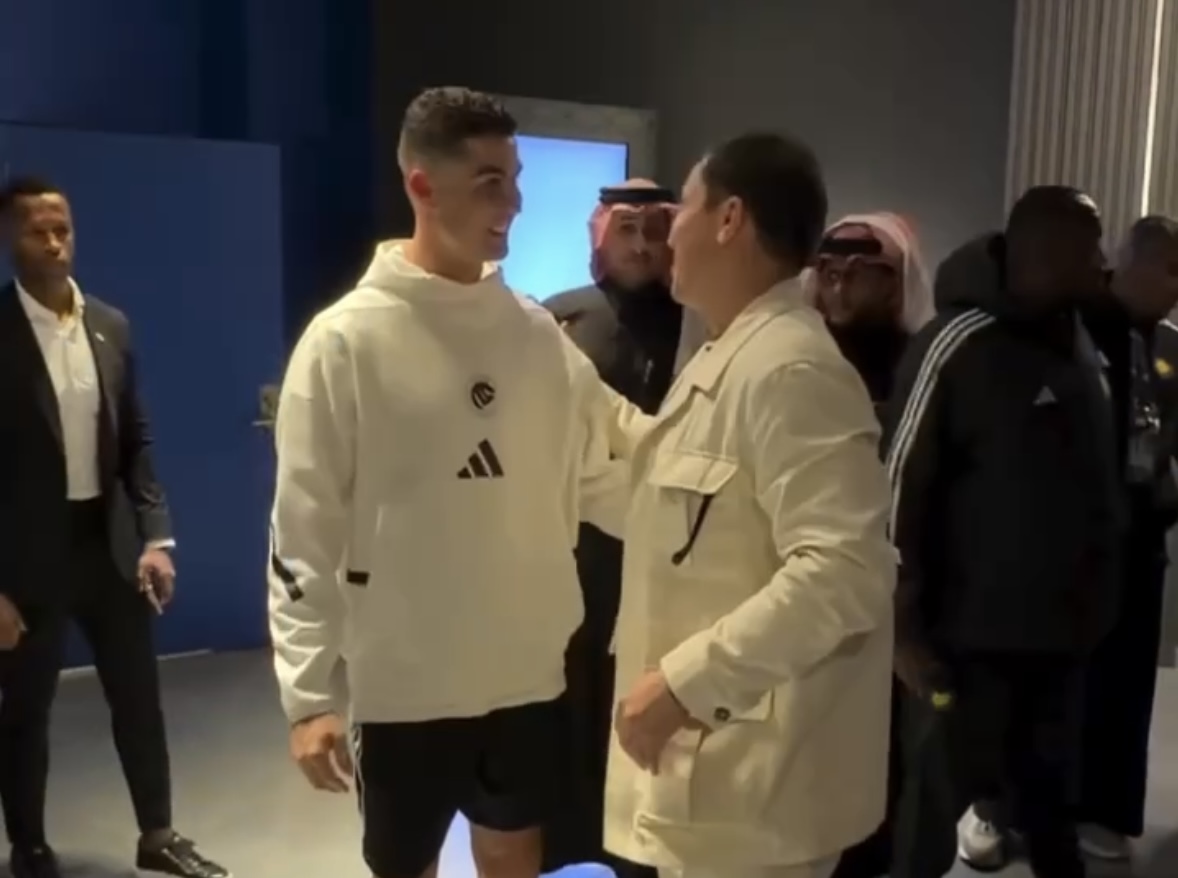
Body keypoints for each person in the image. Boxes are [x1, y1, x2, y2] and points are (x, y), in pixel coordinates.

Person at [268, 87, 631, 878]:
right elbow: (304, 526)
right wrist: (308, 695)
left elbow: (611, 469)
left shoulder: (537, 336)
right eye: (489, 182)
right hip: (404, 687)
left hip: (526, 674)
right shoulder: (344, 343)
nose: (514, 203)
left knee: (514, 851)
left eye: (515, 179)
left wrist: (717, 509)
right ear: (422, 186)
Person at [605, 132, 897, 878]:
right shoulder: (730, 353)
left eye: (683, 208)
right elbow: (676, 508)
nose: (669, 232)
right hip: (722, 785)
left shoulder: (790, 369)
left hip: (759, 790)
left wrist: (686, 683)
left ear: (730, 219)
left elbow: (846, 572)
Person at [887, 186, 1123, 878]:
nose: (1102, 262)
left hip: (1059, 638)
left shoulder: (1078, 339)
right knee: (929, 817)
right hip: (964, 644)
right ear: (1044, 252)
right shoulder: (956, 341)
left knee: (1051, 813)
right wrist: (902, 630)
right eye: (1090, 248)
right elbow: (897, 487)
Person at [0, 177, 229, 878]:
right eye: (38, 231)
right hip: (24, 559)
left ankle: (158, 836)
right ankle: (29, 845)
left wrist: (157, 538)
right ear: (10, 239)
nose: (55, 243)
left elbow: (136, 440)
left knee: (138, 698)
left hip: (108, 544)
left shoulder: (110, 325)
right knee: (25, 710)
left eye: (63, 228)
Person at [543, 179, 681, 878]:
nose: (641, 247)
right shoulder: (556, 320)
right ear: (601, 234)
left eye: (655, 231)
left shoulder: (702, 324)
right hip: (575, 551)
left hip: (672, 548)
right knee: (572, 697)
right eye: (626, 230)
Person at [808, 212, 933, 878]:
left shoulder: (925, 365)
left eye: (860, 273)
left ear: (897, 281)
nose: (840, 287)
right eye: (828, 271)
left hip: (893, 603)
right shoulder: (798, 361)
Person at [1070, 215, 1178, 861]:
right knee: (1067, 683)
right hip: (1075, 542)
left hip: (1141, 538)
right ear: (1130, 261)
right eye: (1171, 270)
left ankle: (1106, 810)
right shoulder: (1075, 329)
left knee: (1127, 683)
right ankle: (1017, 807)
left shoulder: (1168, 346)